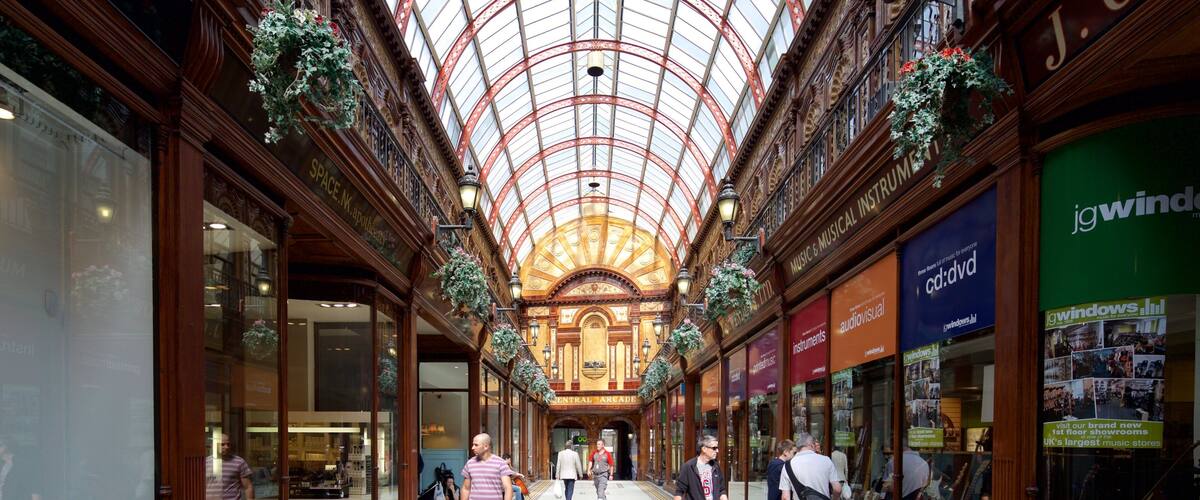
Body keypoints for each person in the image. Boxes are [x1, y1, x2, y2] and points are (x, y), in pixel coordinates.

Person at [779, 432, 842, 500]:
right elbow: (837, 489)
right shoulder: (826, 460)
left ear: (797, 447)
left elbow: (785, 497)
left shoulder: (787, 466)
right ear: (812, 445)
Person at [674, 435, 727, 500]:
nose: (717, 451)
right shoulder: (689, 466)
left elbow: (721, 490)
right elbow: (679, 491)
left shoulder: (716, 466)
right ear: (704, 449)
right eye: (714, 448)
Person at [460, 434, 513, 500]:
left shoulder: (501, 463)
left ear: (486, 446)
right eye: (473, 445)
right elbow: (466, 488)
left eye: (476, 445)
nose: (472, 448)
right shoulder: (469, 463)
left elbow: (508, 488)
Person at [206, 433, 254, 500]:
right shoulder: (205, 462)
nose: (227, 447)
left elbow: (248, 487)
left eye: (228, 444)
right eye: (222, 444)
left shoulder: (239, 462)